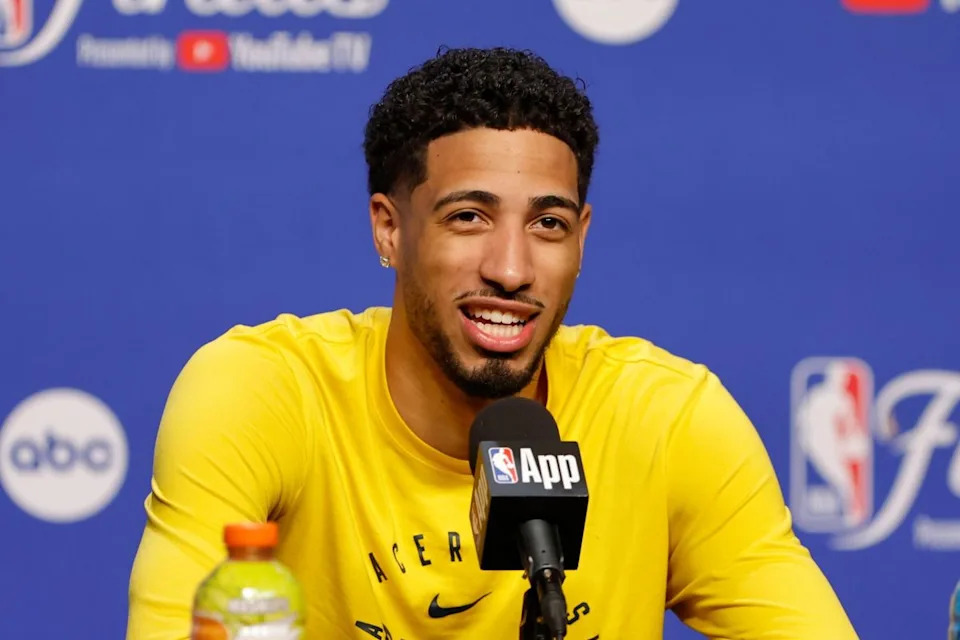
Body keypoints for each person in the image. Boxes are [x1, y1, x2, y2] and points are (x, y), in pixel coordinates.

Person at [127, 47, 859, 639]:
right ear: (389, 228)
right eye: (470, 217)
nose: (511, 270)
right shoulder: (267, 392)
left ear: (582, 238)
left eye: (548, 225)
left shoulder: (664, 417)